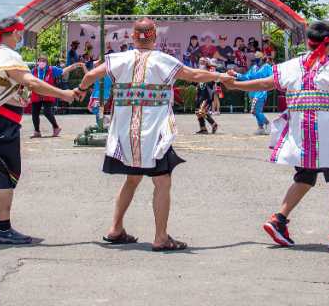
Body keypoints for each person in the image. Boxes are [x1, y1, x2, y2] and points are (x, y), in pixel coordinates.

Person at [227, 20, 329, 252]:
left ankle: (278, 220)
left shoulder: (291, 66)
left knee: (305, 177)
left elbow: (266, 83)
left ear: (308, 42)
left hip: (303, 137)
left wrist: (236, 84)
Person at [74, 17, 224, 251]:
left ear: (133, 37)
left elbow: (90, 76)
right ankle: (161, 237)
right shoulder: (163, 60)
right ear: (155, 36)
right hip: (154, 134)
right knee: (162, 182)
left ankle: (115, 228)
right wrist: (220, 76)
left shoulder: (118, 59)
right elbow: (194, 75)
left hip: (125, 134)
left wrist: (80, 91)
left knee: (132, 180)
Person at [0, 16, 77, 244]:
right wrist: (65, 94)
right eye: (19, 32)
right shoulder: (7, 55)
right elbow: (32, 82)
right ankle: (3, 229)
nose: (20, 36)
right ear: (13, 32)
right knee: (5, 174)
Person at [29, 56, 83, 138]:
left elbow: (63, 71)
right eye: (40, 61)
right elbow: (30, 81)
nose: (42, 62)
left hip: (48, 94)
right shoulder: (34, 71)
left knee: (47, 112)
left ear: (47, 62)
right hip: (36, 94)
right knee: (34, 113)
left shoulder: (52, 69)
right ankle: (37, 131)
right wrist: (29, 92)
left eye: (44, 61)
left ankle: (56, 127)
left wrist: (73, 66)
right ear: (37, 62)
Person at [238, 52, 273, 134]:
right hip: (252, 92)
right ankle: (260, 128)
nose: (255, 59)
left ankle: (267, 123)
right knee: (256, 111)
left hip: (261, 92)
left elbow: (272, 77)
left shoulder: (267, 67)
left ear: (261, 58)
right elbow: (246, 77)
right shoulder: (253, 67)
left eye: (257, 58)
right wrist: (236, 75)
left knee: (255, 110)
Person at [194, 61, 222, 134]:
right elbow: (198, 83)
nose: (201, 64)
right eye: (200, 62)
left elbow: (215, 76)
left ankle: (214, 124)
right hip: (199, 96)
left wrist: (209, 65)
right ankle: (203, 129)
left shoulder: (211, 72)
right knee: (198, 112)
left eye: (202, 62)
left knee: (202, 111)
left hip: (207, 96)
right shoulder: (200, 73)